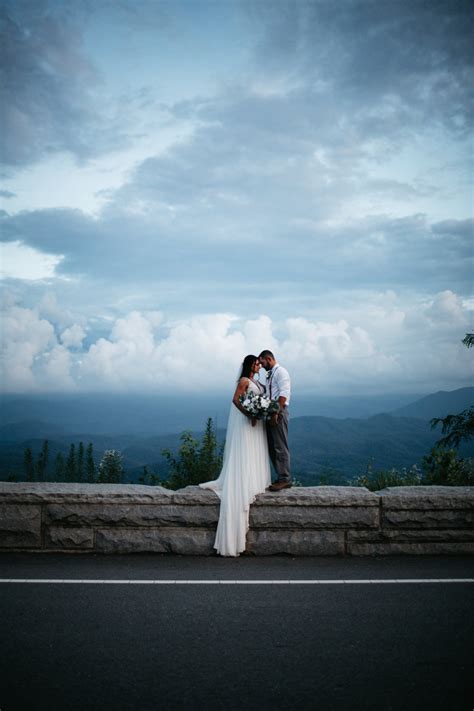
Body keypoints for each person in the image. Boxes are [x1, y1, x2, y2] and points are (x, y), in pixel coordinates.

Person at [199, 355, 271, 557]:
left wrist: (260, 410)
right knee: (244, 452)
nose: (259, 365)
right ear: (251, 365)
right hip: (246, 424)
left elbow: (258, 399)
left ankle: (253, 480)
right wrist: (249, 413)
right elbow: (235, 399)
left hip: (256, 425)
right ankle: (242, 482)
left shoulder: (257, 382)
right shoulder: (244, 381)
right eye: (257, 363)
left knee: (254, 452)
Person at [258, 350, 292, 491]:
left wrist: (275, 414)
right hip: (271, 412)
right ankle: (280, 476)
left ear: (269, 359)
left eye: (262, 362)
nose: (261, 365)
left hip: (278, 413)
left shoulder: (281, 372)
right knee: (272, 447)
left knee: (280, 446)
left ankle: (285, 478)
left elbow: (284, 395)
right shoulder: (270, 374)